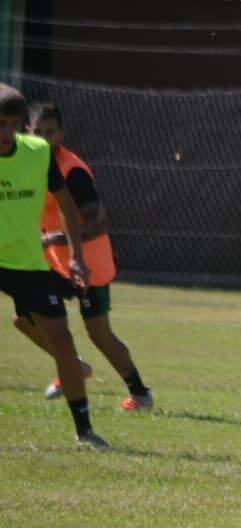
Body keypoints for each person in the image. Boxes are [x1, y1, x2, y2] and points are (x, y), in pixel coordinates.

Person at [12, 102, 153, 412]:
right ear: (26, 132)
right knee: (23, 318)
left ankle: (141, 394)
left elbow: (97, 222)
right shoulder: (27, 163)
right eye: (38, 132)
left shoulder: (72, 171)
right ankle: (72, 366)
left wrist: (51, 239)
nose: (45, 138)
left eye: (51, 132)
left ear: (61, 134)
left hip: (90, 265)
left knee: (99, 334)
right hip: (57, 264)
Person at [0, 84, 109, 449]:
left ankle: (85, 431)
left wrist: (77, 254)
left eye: (13, 125)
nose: (6, 133)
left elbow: (66, 205)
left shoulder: (37, 153)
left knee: (61, 338)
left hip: (26, 261)